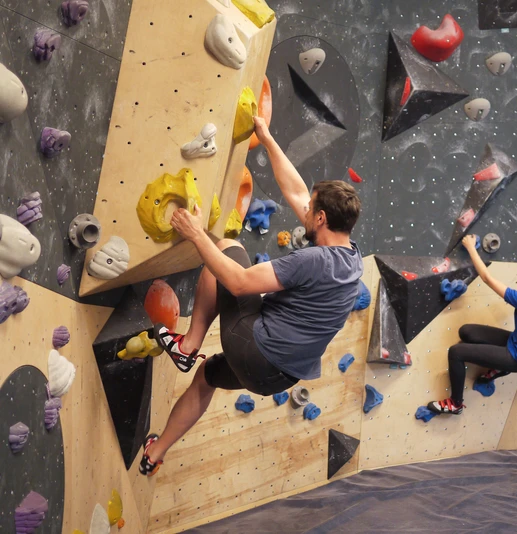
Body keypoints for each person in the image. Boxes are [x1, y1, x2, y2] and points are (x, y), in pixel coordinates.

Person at [139, 116, 363, 476]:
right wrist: (268, 137)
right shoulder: (350, 259)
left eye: (311, 209)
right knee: (207, 377)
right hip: (277, 377)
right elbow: (296, 191)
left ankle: (188, 345)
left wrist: (198, 235)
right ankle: (155, 454)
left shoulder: (313, 260)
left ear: (320, 218)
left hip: (255, 349)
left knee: (227, 249)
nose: (304, 209)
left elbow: (240, 283)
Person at [428, 234, 517, 415]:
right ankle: (498, 366)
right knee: (466, 332)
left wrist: (471, 247)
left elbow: (487, 278)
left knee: (456, 352)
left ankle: (455, 404)